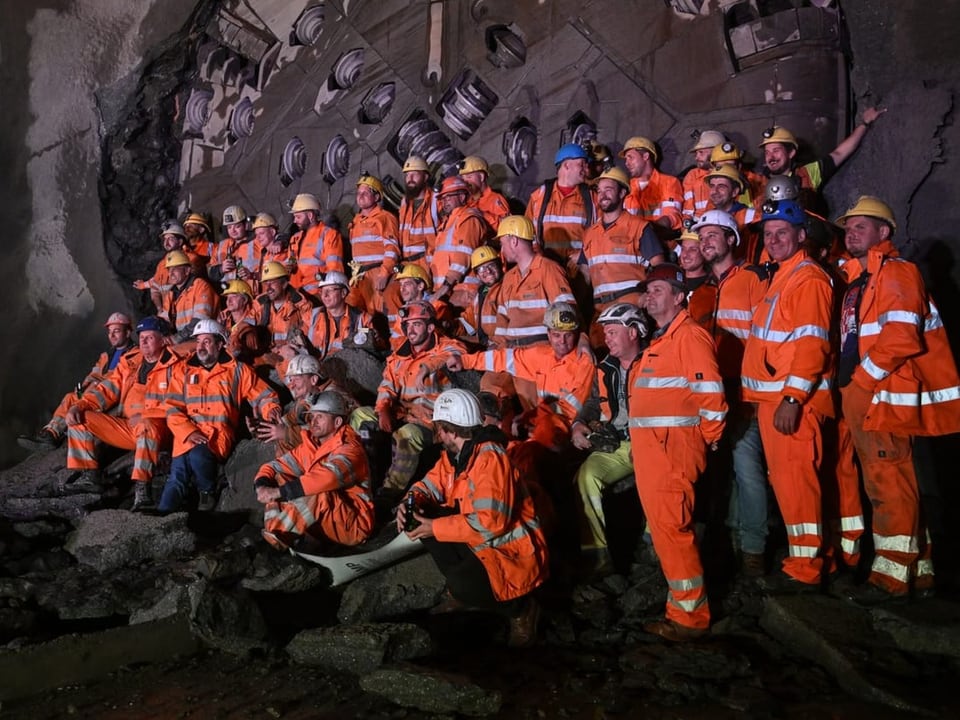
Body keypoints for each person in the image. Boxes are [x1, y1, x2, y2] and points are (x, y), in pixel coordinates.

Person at [834, 196, 960, 603]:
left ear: (884, 233)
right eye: (849, 227)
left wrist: (862, 382)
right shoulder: (861, 278)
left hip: (881, 393)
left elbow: (902, 338)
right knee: (890, 480)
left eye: (861, 226)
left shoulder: (897, 272)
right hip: (868, 391)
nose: (851, 232)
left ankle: (890, 578)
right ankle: (919, 571)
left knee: (888, 483)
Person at [397, 388, 548, 647]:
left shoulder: (490, 459)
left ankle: (521, 609)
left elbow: (491, 522)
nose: (438, 435)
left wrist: (434, 527)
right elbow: (429, 485)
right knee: (423, 514)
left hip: (513, 554)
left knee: (463, 581)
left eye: (440, 429)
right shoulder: (456, 456)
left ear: (450, 430)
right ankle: (466, 594)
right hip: (486, 542)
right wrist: (409, 503)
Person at [627, 263, 726, 641]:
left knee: (673, 530)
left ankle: (690, 616)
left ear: (678, 296)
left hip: (672, 453)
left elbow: (711, 395)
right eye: (647, 291)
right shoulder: (663, 339)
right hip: (656, 453)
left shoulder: (689, 337)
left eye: (657, 290)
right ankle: (680, 605)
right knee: (668, 531)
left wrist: (712, 435)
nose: (648, 296)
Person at [741, 199, 834, 593]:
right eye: (769, 233)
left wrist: (793, 399)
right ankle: (809, 558)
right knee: (789, 482)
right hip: (774, 400)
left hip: (793, 402)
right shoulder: (781, 276)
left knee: (797, 484)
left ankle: (806, 568)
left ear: (801, 236)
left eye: (783, 233)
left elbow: (812, 346)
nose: (774, 239)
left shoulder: (808, 279)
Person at [694, 209, 770, 576]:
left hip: (745, 392)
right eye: (702, 236)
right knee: (720, 470)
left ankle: (753, 548)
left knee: (747, 468)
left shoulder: (754, 280)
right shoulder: (704, 290)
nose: (705, 241)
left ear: (731, 239)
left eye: (713, 235)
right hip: (711, 394)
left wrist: (755, 391)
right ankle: (732, 543)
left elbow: (767, 338)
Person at [160, 319, 281, 513]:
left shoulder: (238, 371)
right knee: (176, 477)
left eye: (207, 342)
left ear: (219, 344)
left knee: (199, 455)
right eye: (198, 342)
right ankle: (161, 519)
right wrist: (188, 432)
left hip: (218, 436)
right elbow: (172, 408)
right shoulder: (182, 371)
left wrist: (271, 413)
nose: (201, 347)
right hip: (186, 436)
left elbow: (265, 396)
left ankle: (207, 492)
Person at [62, 316, 181, 509]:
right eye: (141, 337)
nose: (143, 342)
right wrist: (80, 405)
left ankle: (143, 490)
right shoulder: (130, 362)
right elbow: (106, 390)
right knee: (80, 418)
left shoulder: (175, 365)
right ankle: (89, 475)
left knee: (146, 425)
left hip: (161, 429)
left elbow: (179, 401)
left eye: (149, 337)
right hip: (129, 428)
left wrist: (148, 414)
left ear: (163, 339)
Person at [570, 303, 650, 574]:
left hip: (653, 442)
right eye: (606, 333)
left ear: (633, 333)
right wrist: (579, 423)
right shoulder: (606, 367)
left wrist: (645, 443)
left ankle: (654, 544)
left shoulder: (656, 362)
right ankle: (597, 554)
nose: (607, 338)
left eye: (613, 332)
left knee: (659, 478)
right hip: (618, 443)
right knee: (585, 477)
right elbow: (594, 402)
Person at [255, 391, 374, 551]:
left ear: (337, 421)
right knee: (278, 477)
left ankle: (277, 539)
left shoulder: (350, 449)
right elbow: (274, 467)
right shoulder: (312, 446)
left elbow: (328, 478)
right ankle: (274, 533)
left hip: (353, 525)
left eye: (320, 417)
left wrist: (279, 492)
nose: (313, 422)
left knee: (319, 491)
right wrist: (262, 486)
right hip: (326, 522)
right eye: (312, 416)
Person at [370, 301, 466, 495]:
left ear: (430, 327)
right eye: (407, 325)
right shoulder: (400, 355)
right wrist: (383, 409)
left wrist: (427, 366)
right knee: (360, 417)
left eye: (417, 324)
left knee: (407, 436)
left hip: (432, 422)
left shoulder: (444, 347)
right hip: (402, 413)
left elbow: (458, 352)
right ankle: (366, 484)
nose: (411, 330)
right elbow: (387, 384)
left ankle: (390, 493)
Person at [18, 312, 136, 452]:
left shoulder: (135, 355)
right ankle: (50, 434)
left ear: (128, 332)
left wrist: (92, 390)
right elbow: (91, 377)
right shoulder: (105, 356)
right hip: (94, 392)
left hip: (110, 397)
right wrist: (79, 391)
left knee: (79, 401)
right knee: (70, 397)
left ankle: (61, 431)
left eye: (116, 331)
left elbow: (121, 383)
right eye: (109, 332)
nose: (112, 335)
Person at [582, 167, 664, 324]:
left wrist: (651, 301)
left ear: (622, 193)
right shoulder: (590, 234)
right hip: (601, 312)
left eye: (609, 190)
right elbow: (584, 277)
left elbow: (660, 270)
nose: (603, 195)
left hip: (632, 310)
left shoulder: (639, 227)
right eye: (599, 191)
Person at [757, 108, 885, 207]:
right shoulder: (756, 182)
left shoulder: (806, 174)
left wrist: (865, 123)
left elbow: (839, 153)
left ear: (791, 153)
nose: (771, 157)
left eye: (776, 150)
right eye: (767, 152)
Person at [494, 215, 576, 348]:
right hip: (512, 351)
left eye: (502, 243)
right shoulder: (509, 277)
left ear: (513, 241)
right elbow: (502, 320)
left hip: (541, 350)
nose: (501, 250)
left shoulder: (549, 269)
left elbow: (567, 312)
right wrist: (497, 347)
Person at [253, 354, 352, 455]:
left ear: (313, 379)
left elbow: (325, 431)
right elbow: (289, 419)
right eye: (290, 380)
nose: (291, 385)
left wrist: (285, 433)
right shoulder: (309, 396)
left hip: (342, 448)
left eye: (296, 379)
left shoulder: (332, 397)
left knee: (287, 439)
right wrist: (263, 426)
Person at [525, 143, 596, 269]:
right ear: (566, 165)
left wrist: (584, 255)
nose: (586, 168)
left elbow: (601, 233)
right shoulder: (539, 196)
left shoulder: (592, 198)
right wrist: (537, 255)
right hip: (545, 267)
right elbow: (527, 231)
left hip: (578, 268)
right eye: (581, 164)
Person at [347, 172, 401, 313]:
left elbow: (392, 249)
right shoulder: (356, 221)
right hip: (359, 277)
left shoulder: (385, 218)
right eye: (359, 192)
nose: (361, 195)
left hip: (377, 274)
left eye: (366, 192)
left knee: (378, 315)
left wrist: (384, 274)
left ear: (377, 197)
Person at [432, 176, 489, 307]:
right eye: (442, 198)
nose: (445, 201)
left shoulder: (469, 218)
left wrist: (446, 286)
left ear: (462, 197)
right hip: (446, 291)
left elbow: (464, 254)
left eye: (448, 197)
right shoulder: (447, 223)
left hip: (462, 290)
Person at [301, 270, 382, 359]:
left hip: (350, 369)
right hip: (317, 369)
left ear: (343, 293)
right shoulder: (313, 316)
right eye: (322, 291)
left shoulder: (362, 318)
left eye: (330, 290)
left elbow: (374, 342)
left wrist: (376, 339)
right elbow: (299, 342)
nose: (324, 295)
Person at [255, 260, 317, 368]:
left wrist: (288, 347)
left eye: (272, 282)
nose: (268, 288)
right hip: (267, 355)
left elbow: (311, 331)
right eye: (265, 283)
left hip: (291, 356)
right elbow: (246, 321)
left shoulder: (300, 304)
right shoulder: (260, 303)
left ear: (284, 284)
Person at [132, 221, 204, 314]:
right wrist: (160, 309)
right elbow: (156, 285)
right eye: (164, 239)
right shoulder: (162, 263)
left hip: (188, 309)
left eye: (170, 239)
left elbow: (190, 284)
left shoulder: (191, 259)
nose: (166, 242)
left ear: (180, 241)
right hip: (169, 312)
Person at [620, 136, 683, 232]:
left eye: (630, 158)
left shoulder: (669, 182)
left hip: (661, 241)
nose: (626, 163)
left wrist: (647, 230)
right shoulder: (626, 187)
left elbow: (671, 215)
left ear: (645, 156)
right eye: (626, 159)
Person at [287, 193, 345, 296]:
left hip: (317, 294)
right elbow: (292, 261)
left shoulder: (329, 234)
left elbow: (334, 270)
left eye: (298, 217)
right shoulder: (295, 238)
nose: (295, 221)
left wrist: (327, 294)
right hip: (297, 296)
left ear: (310, 215)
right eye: (294, 217)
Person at [159, 250, 220, 346]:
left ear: (187, 271)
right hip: (182, 340)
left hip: (203, 338)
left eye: (175, 269)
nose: (171, 273)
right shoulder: (171, 294)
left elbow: (201, 320)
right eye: (169, 270)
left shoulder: (201, 286)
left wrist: (176, 338)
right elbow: (164, 321)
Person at [397, 156, 438, 273]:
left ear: (425, 177)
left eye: (414, 174)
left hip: (430, 265)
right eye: (407, 175)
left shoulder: (436, 199)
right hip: (408, 265)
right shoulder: (404, 203)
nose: (410, 178)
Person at [458, 246, 503, 348]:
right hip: (485, 344)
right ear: (477, 275)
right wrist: (451, 326)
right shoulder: (481, 293)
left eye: (491, 265)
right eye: (482, 268)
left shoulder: (508, 288)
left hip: (501, 346)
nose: (488, 271)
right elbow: (469, 321)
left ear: (500, 266)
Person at [682, 129, 726, 220]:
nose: (696, 157)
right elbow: (688, 210)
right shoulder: (693, 175)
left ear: (715, 151)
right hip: (697, 224)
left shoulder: (731, 174)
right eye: (696, 153)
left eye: (701, 152)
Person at [459, 155, 510, 232]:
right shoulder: (466, 203)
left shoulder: (495, 199)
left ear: (481, 177)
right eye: (463, 179)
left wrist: (483, 215)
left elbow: (508, 227)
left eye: (469, 177)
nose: (465, 182)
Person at [209, 205, 250, 284]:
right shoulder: (221, 246)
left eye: (237, 226)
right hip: (230, 292)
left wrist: (278, 241)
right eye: (229, 227)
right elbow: (211, 273)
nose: (233, 231)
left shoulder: (257, 240)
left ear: (246, 225)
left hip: (252, 290)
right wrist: (221, 269)